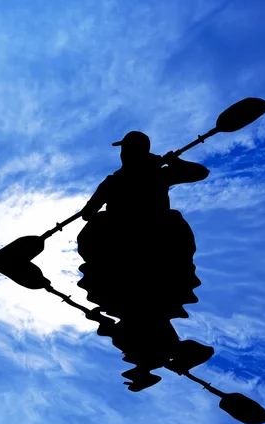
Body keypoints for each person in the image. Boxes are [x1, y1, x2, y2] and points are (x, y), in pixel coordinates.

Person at [76, 131, 214, 391]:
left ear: (132, 152)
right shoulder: (137, 177)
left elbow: (200, 173)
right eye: (124, 150)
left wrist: (175, 163)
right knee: (150, 309)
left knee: (145, 306)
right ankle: (174, 356)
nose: (123, 154)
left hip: (144, 247)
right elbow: (88, 213)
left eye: (126, 149)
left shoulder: (152, 174)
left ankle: (176, 355)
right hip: (130, 250)